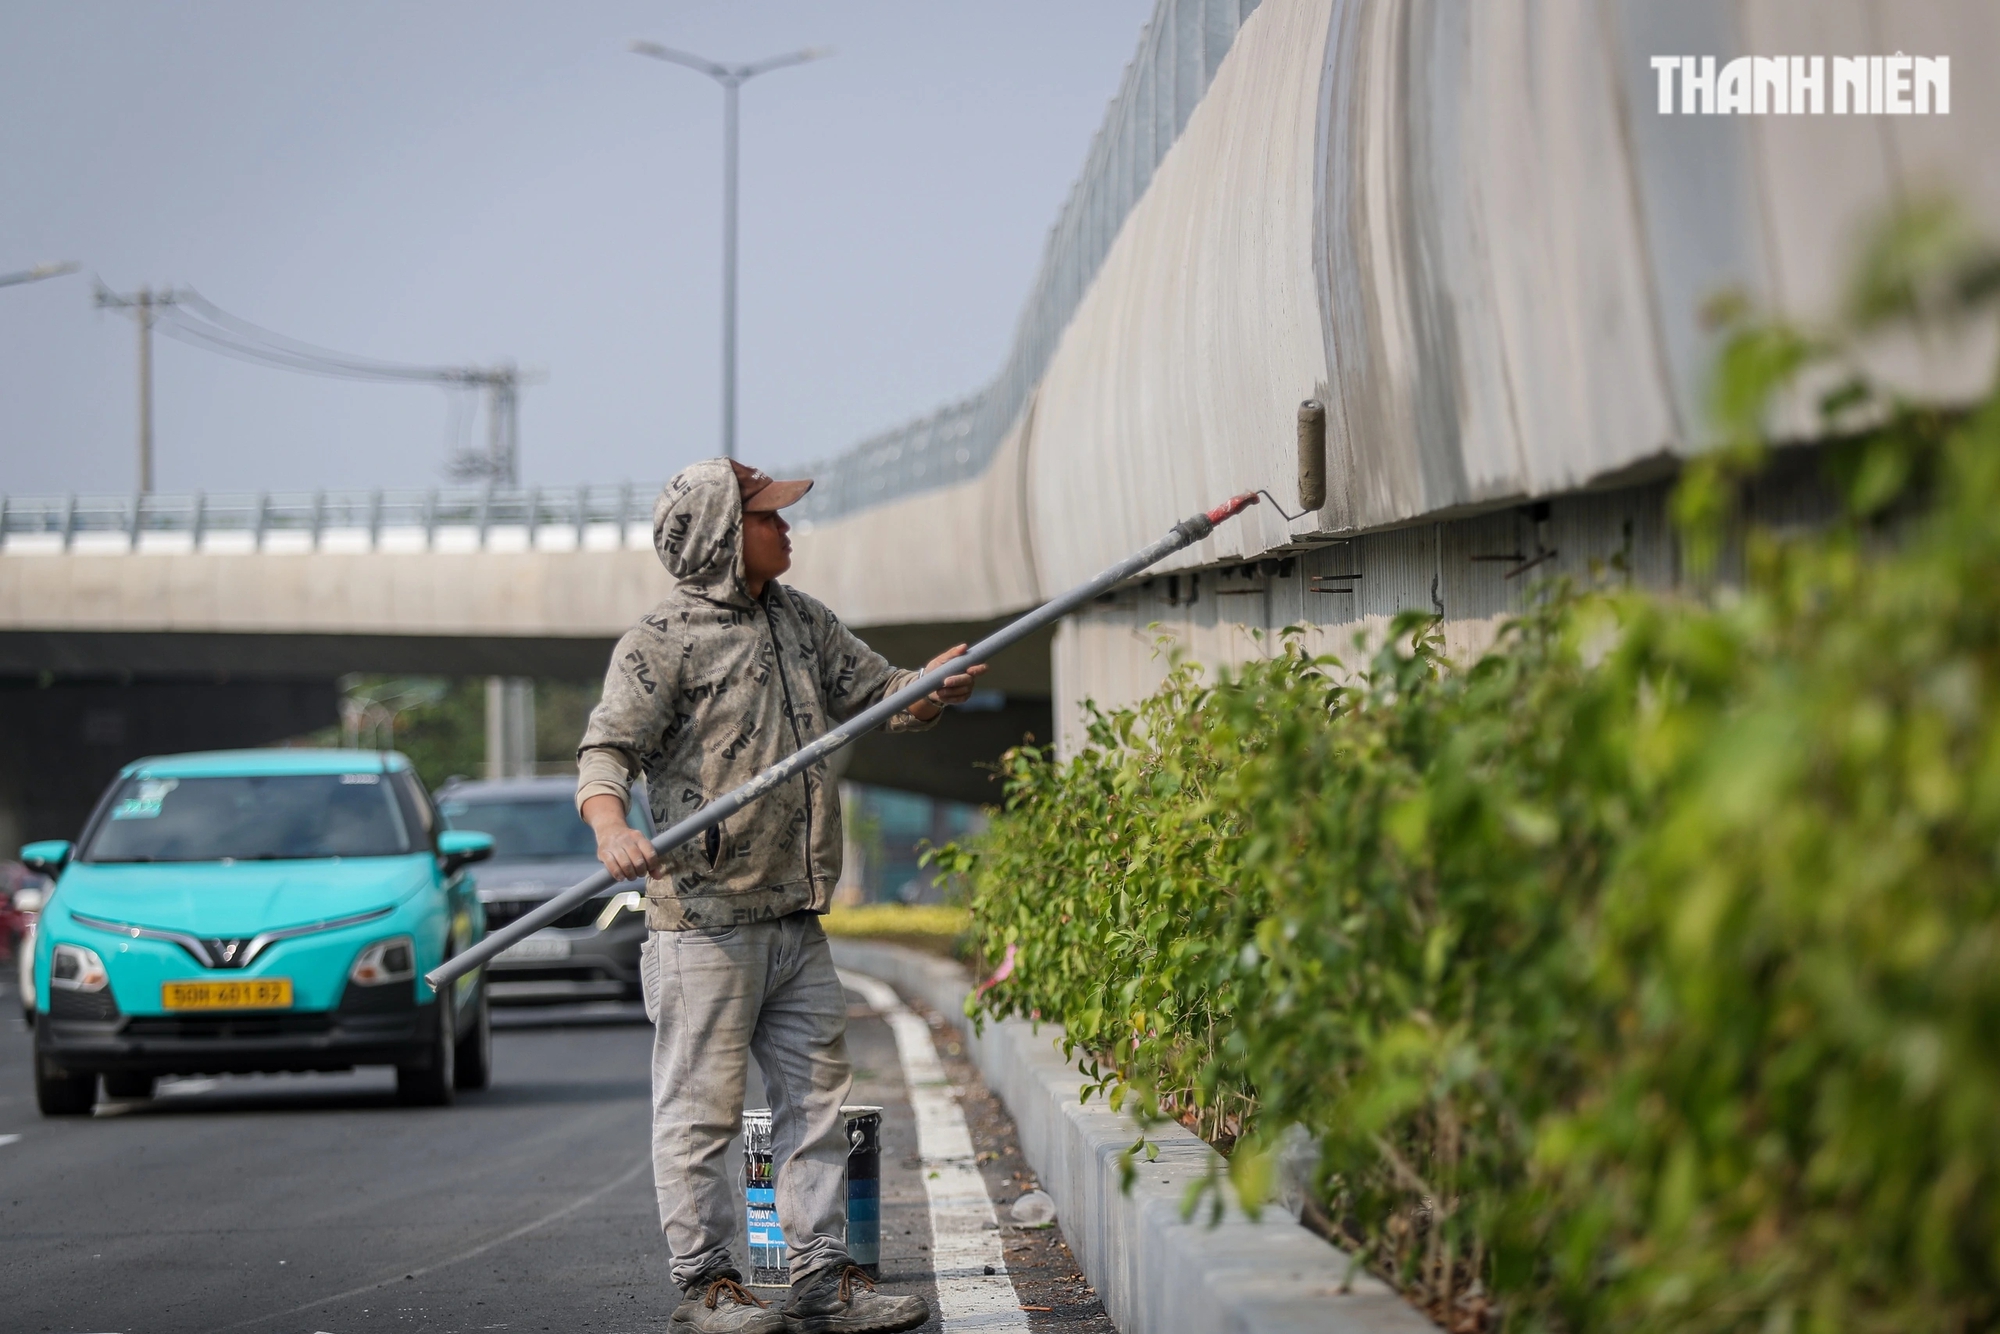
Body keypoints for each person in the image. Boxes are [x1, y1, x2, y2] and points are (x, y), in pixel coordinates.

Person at [574, 458, 983, 1334]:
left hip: (795, 916)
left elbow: (880, 695)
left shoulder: (801, 621)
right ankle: (708, 1286)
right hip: (704, 925)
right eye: (769, 518)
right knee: (701, 1116)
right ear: (726, 536)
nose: (788, 529)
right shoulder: (663, 641)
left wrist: (929, 693)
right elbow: (604, 754)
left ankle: (822, 1280)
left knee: (818, 1104)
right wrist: (612, 829)